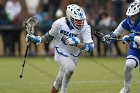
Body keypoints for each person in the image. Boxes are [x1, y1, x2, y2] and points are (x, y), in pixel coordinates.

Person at [26, 4, 94, 93]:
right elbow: (49, 37)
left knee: (59, 80)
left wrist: (77, 44)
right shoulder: (59, 23)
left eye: (82, 20)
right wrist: (38, 39)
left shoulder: (85, 27)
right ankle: (64, 91)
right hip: (61, 50)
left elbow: (90, 47)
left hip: (75, 54)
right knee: (70, 68)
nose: (81, 23)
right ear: (70, 17)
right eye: (77, 20)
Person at [103, 1, 140, 93]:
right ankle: (126, 87)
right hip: (135, 49)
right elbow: (116, 33)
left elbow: (133, 37)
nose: (131, 17)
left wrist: (132, 37)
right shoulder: (127, 21)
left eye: (134, 15)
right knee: (128, 65)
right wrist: (109, 37)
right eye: (130, 15)